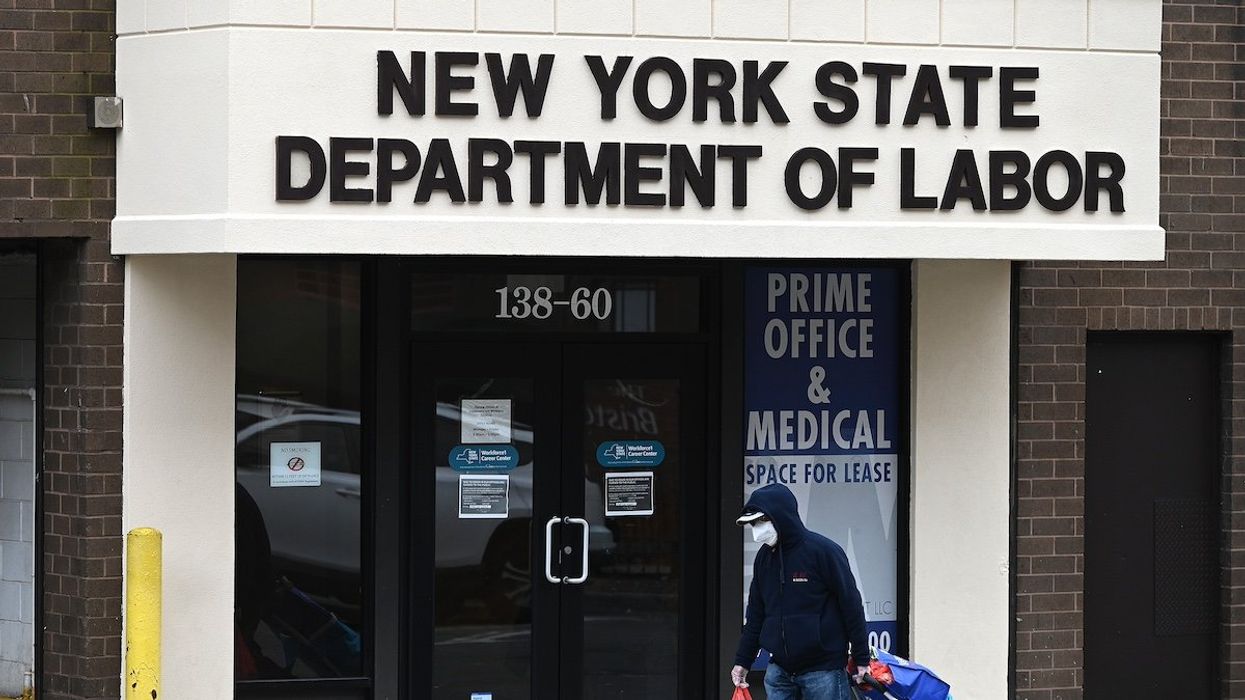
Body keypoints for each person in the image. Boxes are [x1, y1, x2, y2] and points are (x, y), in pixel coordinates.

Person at [730, 483, 871, 699]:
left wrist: (861, 659)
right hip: (779, 671)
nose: (757, 529)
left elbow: (851, 605)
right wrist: (743, 661)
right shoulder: (764, 559)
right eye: (753, 523)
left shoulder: (823, 552)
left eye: (762, 521)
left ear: (781, 517)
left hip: (823, 671)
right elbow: (756, 615)